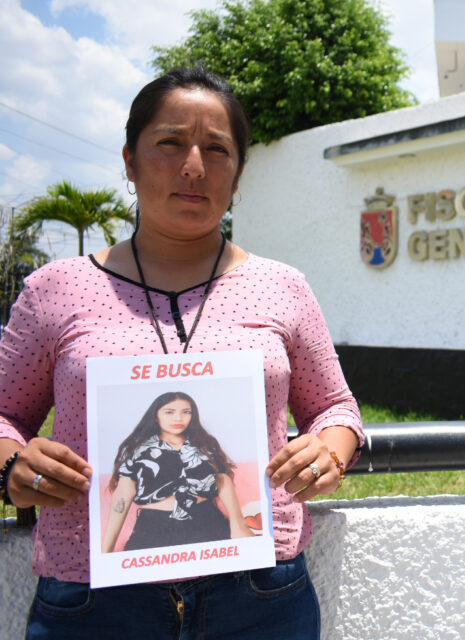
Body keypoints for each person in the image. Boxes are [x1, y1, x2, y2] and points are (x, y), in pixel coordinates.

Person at [0, 67, 363, 639]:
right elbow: (4, 414)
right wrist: (11, 466)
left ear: (238, 174)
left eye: (217, 150)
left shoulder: (283, 287)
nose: (194, 166)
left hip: (259, 595)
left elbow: (335, 409)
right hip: (94, 598)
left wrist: (330, 454)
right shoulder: (56, 289)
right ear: (129, 161)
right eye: (170, 143)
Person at [102, 391, 255, 553]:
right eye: (169, 412)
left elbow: (222, 479)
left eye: (186, 412)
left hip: (207, 521)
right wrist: (106, 550)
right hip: (154, 528)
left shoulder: (205, 444)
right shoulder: (137, 448)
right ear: (156, 416)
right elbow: (123, 493)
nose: (178, 418)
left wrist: (238, 525)